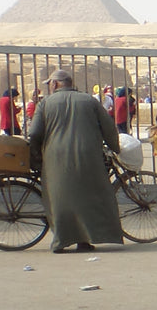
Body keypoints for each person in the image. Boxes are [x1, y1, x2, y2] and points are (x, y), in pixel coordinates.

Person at [25, 69, 124, 254]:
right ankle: (85, 240)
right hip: (89, 156)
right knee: (89, 197)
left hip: (56, 158)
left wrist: (35, 157)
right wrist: (115, 147)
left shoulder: (45, 103)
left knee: (59, 199)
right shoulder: (89, 100)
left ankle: (60, 241)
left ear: (54, 84)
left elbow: (35, 133)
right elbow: (109, 127)